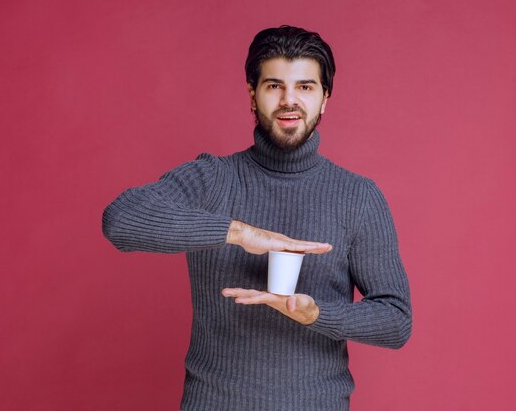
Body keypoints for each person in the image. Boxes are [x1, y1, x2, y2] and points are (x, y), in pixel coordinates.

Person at [102, 25, 412, 411]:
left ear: (325, 99)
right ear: (252, 95)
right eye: (273, 86)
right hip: (213, 402)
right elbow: (120, 221)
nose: (289, 101)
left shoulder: (358, 196)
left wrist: (316, 313)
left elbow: (396, 321)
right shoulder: (212, 178)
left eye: (305, 87)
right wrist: (239, 233)